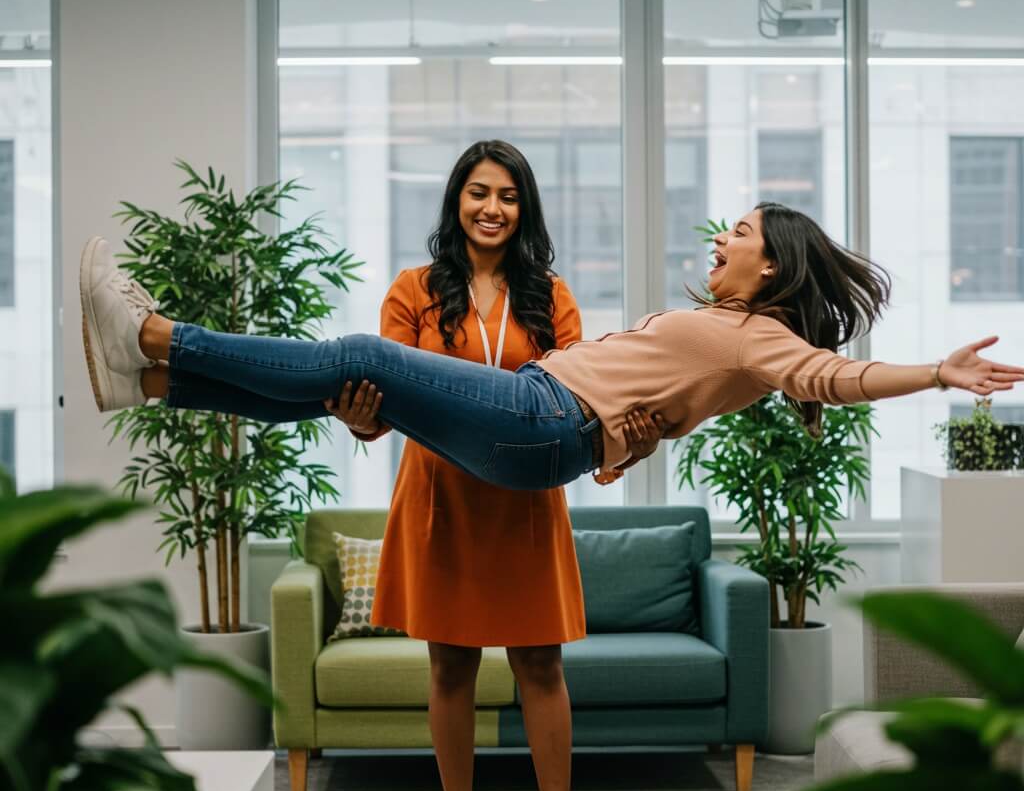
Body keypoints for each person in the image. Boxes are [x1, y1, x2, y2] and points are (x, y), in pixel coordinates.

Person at [80, 201, 1024, 496]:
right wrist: (628, 438)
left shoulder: (764, 336)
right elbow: (645, 417)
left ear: (772, 267)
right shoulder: (740, 336)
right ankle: (154, 380)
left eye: (739, 230)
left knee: (358, 351)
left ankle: (157, 331)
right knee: (337, 384)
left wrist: (937, 373)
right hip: (544, 427)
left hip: (541, 419)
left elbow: (838, 375)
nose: (722, 238)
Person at [331, 140, 589, 791]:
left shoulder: (551, 297)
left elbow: (581, 399)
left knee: (542, 666)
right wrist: (359, 419)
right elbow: (385, 407)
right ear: (456, 202)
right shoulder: (412, 290)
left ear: (524, 209)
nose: (492, 208)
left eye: (508, 196)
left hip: (525, 503)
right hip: (442, 498)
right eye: (479, 193)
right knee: (449, 668)